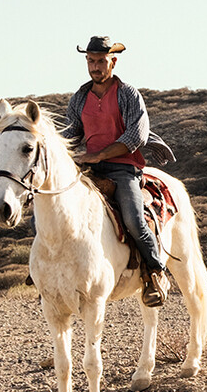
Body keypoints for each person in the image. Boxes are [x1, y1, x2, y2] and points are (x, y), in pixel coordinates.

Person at [62, 36, 176, 305]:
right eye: (90, 61)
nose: (95, 67)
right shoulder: (80, 98)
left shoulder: (128, 94)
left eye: (100, 61)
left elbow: (136, 136)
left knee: (134, 221)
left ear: (112, 61)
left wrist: (100, 154)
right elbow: (71, 133)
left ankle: (154, 273)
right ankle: (49, 274)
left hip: (124, 168)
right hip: (89, 167)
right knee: (54, 206)